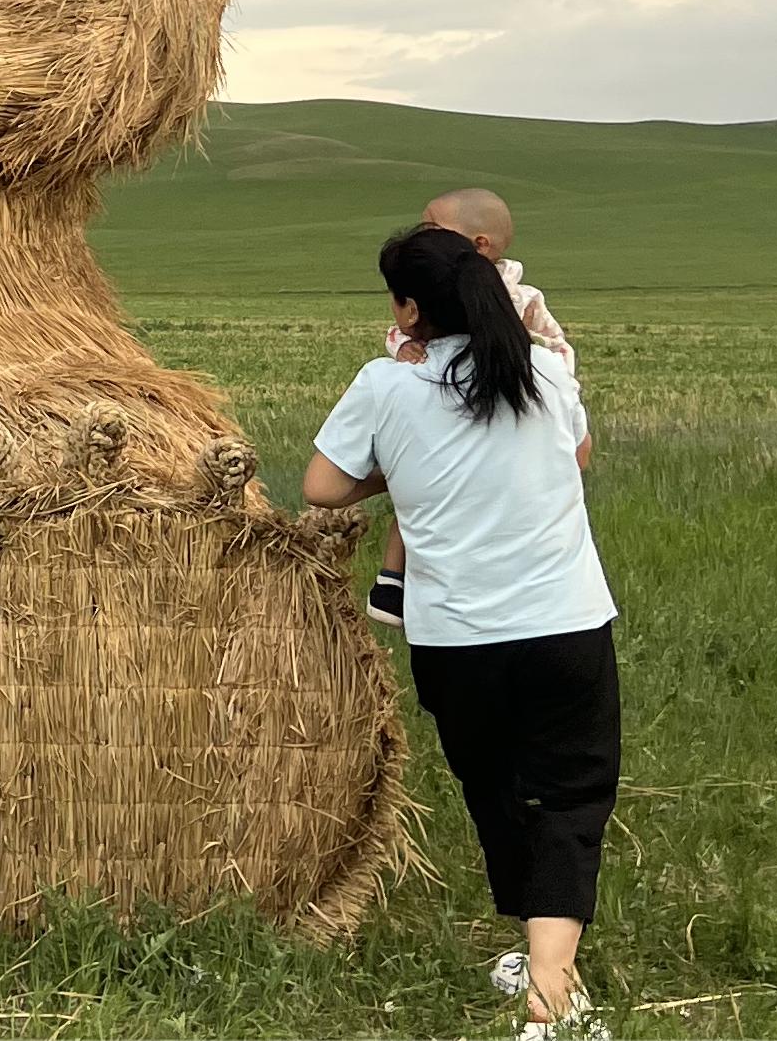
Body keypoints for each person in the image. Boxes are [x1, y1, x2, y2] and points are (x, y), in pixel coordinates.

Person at [306, 224, 619, 1041]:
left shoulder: (385, 385)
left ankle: (543, 978)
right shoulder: (544, 370)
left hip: (456, 639)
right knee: (571, 797)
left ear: (408, 310)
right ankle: (549, 988)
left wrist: (402, 467)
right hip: (566, 626)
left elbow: (323, 487)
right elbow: (577, 457)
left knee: (497, 792)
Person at [369, 187, 575, 628]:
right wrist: (403, 348)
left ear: (479, 245)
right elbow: (398, 331)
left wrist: (544, 375)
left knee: (422, 490)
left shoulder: (524, 299)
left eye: (432, 228)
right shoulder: (437, 290)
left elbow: (554, 345)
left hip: (508, 403)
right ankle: (392, 580)